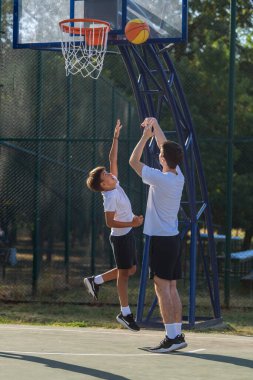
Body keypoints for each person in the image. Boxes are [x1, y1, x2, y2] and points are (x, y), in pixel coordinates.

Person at [129, 117, 187, 353]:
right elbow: (166, 146)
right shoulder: (178, 176)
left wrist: (145, 136)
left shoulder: (160, 179)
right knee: (171, 287)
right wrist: (156, 125)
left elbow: (133, 161)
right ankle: (177, 334)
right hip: (172, 240)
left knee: (162, 289)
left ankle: (171, 337)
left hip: (162, 242)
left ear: (163, 160)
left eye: (161, 155)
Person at [84, 119, 143, 332]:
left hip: (127, 232)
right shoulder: (108, 197)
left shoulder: (114, 183)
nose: (110, 174)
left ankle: (96, 280)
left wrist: (115, 137)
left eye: (108, 173)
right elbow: (109, 222)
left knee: (130, 269)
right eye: (106, 175)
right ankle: (125, 313)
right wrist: (133, 222)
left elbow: (113, 158)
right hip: (120, 236)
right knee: (125, 273)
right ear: (102, 184)